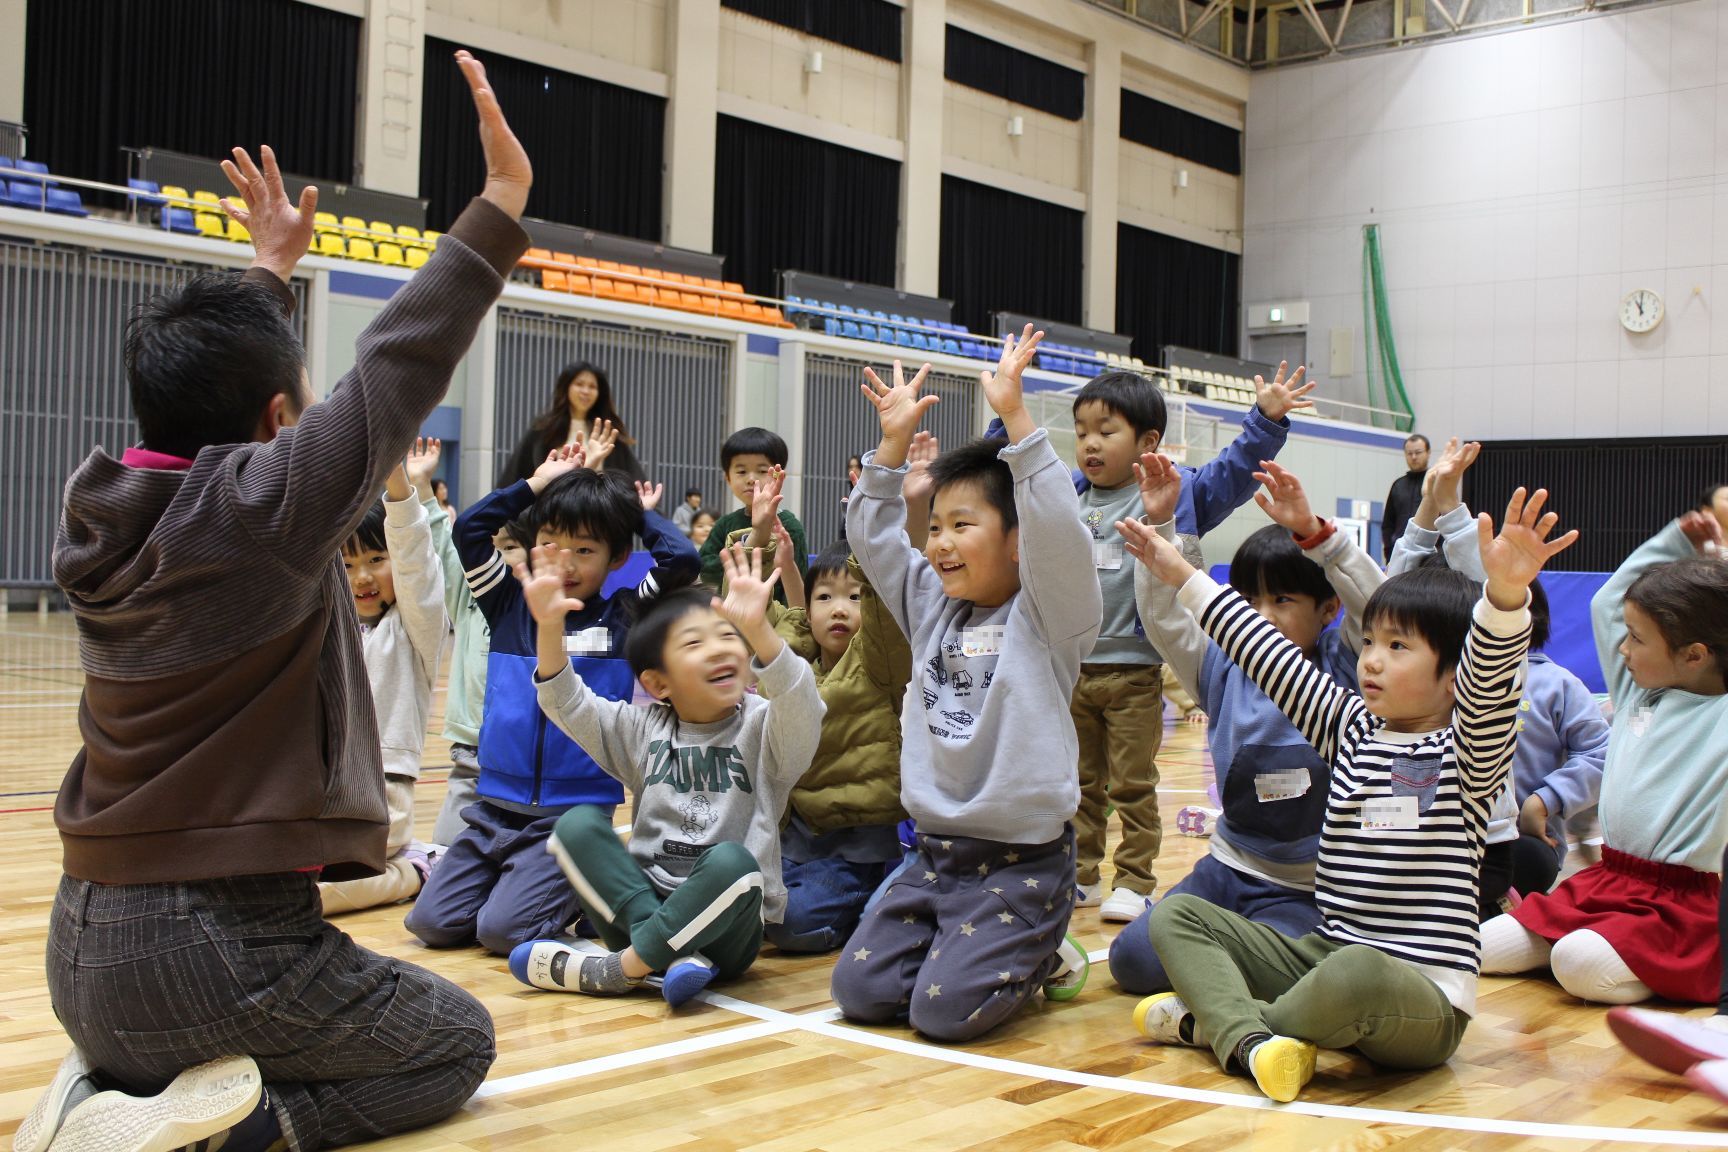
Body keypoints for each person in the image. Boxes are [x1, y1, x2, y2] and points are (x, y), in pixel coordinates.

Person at [17, 51, 529, 1152]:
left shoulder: (105, 510)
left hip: (83, 946)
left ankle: (117, 1088)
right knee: (455, 1044)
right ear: (275, 423)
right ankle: (209, 1136)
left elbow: (212, 425)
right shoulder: (258, 514)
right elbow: (396, 366)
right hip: (212, 948)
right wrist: (497, 212)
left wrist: (265, 279)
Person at [1122, 486, 1576, 1102]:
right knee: (1177, 916)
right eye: (1369, 643)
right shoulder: (1352, 730)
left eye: (1398, 647)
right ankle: (1254, 1045)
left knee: (1356, 970)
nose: (1371, 661)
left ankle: (1215, 1027)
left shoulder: (1470, 755)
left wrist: (1505, 596)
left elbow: (1493, 679)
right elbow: (1267, 655)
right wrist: (1180, 572)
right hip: (1324, 957)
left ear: (1453, 676)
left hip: (1420, 998)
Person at [829, 328, 1100, 1043]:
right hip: (935, 852)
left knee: (943, 1014)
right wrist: (889, 451)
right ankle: (974, 944)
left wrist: (1017, 419)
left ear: (1016, 539)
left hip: (1022, 861)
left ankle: (1042, 949)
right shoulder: (931, 608)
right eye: (937, 526)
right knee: (859, 992)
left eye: (962, 525)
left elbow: (1060, 533)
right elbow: (874, 538)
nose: (940, 542)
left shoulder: (1051, 614)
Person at [406, 448, 698, 955]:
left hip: (570, 817)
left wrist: (635, 510)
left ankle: (588, 884)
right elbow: (469, 530)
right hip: (491, 809)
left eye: (584, 550)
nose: (564, 562)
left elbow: (683, 559)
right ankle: (556, 889)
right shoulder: (506, 603)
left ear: (616, 559)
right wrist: (536, 483)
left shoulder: (624, 616)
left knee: (501, 933)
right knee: (433, 924)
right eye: (549, 544)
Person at [1109, 458, 1382, 996]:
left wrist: (1317, 537)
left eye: (1281, 600)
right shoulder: (1219, 666)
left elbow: (1377, 604)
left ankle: (1227, 982)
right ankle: (1226, 970)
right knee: (1133, 960)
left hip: (1310, 891)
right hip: (1227, 871)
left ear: (1327, 610)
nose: (1260, 614)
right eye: (1249, 600)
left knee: (1286, 977)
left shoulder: (1349, 663)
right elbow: (1166, 615)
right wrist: (1163, 525)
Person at [508, 545, 823, 1005]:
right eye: (695, 643)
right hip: (644, 903)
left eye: (728, 636)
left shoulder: (762, 728)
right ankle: (666, 956)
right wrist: (550, 626)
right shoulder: (642, 730)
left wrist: (760, 630)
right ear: (657, 683)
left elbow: (802, 704)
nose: (720, 650)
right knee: (575, 824)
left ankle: (619, 970)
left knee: (734, 862)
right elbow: (565, 701)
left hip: (726, 928)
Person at [1068, 362, 1313, 924]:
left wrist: (1266, 419)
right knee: (1078, 784)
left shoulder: (1178, 492)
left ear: (1147, 441)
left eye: (1106, 431)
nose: (1089, 444)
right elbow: (1021, 480)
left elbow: (1233, 470)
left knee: (1131, 783)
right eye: (1081, 432)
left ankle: (1133, 878)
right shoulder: (1071, 497)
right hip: (1074, 670)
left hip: (1134, 672)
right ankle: (1080, 873)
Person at [1480, 510, 1728, 1004]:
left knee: (1578, 964)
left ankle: (1686, 969)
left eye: (1637, 639)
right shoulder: (1639, 691)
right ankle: (1604, 953)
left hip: (1680, 905)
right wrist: (1674, 538)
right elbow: (1609, 601)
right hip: (1609, 881)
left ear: (1695, 655)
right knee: (1479, 949)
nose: (1622, 648)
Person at [1390, 438, 1609, 916]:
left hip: (1499, 840)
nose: (1374, 657)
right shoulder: (1415, 682)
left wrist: (1546, 801)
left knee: (1525, 861)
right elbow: (1393, 596)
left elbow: (1492, 589)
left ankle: (1490, 906)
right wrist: (1432, 505)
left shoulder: (1518, 678)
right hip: (1420, 836)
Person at [751, 502, 918, 952]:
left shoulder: (879, 662)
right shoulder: (793, 654)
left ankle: (873, 895)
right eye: (825, 597)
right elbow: (750, 611)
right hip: (793, 837)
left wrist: (867, 533)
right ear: (808, 607)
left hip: (855, 848)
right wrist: (759, 535)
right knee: (739, 897)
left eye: (853, 597)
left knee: (791, 925)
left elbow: (886, 605)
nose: (839, 609)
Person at [318, 442, 448, 914]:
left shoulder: (415, 630)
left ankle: (415, 870)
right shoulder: (329, 624)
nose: (362, 577)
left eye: (376, 559)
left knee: (313, 898)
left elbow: (418, 565)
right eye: (347, 565)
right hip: (326, 786)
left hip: (382, 793)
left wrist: (399, 487)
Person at [698, 427, 807, 600]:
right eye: (741, 471)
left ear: (778, 476)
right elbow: (705, 569)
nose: (751, 479)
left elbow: (799, 580)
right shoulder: (724, 524)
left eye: (762, 471)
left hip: (775, 620)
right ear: (727, 477)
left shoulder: (789, 527)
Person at [499, 361, 645, 485]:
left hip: (599, 513)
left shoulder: (607, 432)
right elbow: (515, 476)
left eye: (592, 387)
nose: (585, 391)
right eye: (579, 384)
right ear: (566, 388)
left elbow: (634, 480)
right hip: (551, 512)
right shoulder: (543, 429)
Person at [1380, 432, 1430, 562]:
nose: (1413, 457)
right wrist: (1389, 550)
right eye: (1409, 453)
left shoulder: (1436, 483)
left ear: (1428, 452)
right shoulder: (1398, 485)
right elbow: (1388, 524)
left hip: (1430, 556)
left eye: (1418, 452)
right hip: (1399, 555)